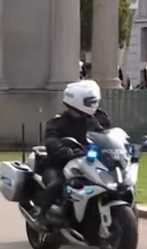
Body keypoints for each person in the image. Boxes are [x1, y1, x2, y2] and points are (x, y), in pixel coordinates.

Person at [32, 80, 111, 224]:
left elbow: (108, 135)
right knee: (57, 185)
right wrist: (60, 149)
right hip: (60, 164)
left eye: (94, 101)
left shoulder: (99, 119)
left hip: (90, 163)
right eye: (90, 101)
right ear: (77, 101)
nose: (93, 104)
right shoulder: (59, 122)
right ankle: (40, 215)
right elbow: (51, 138)